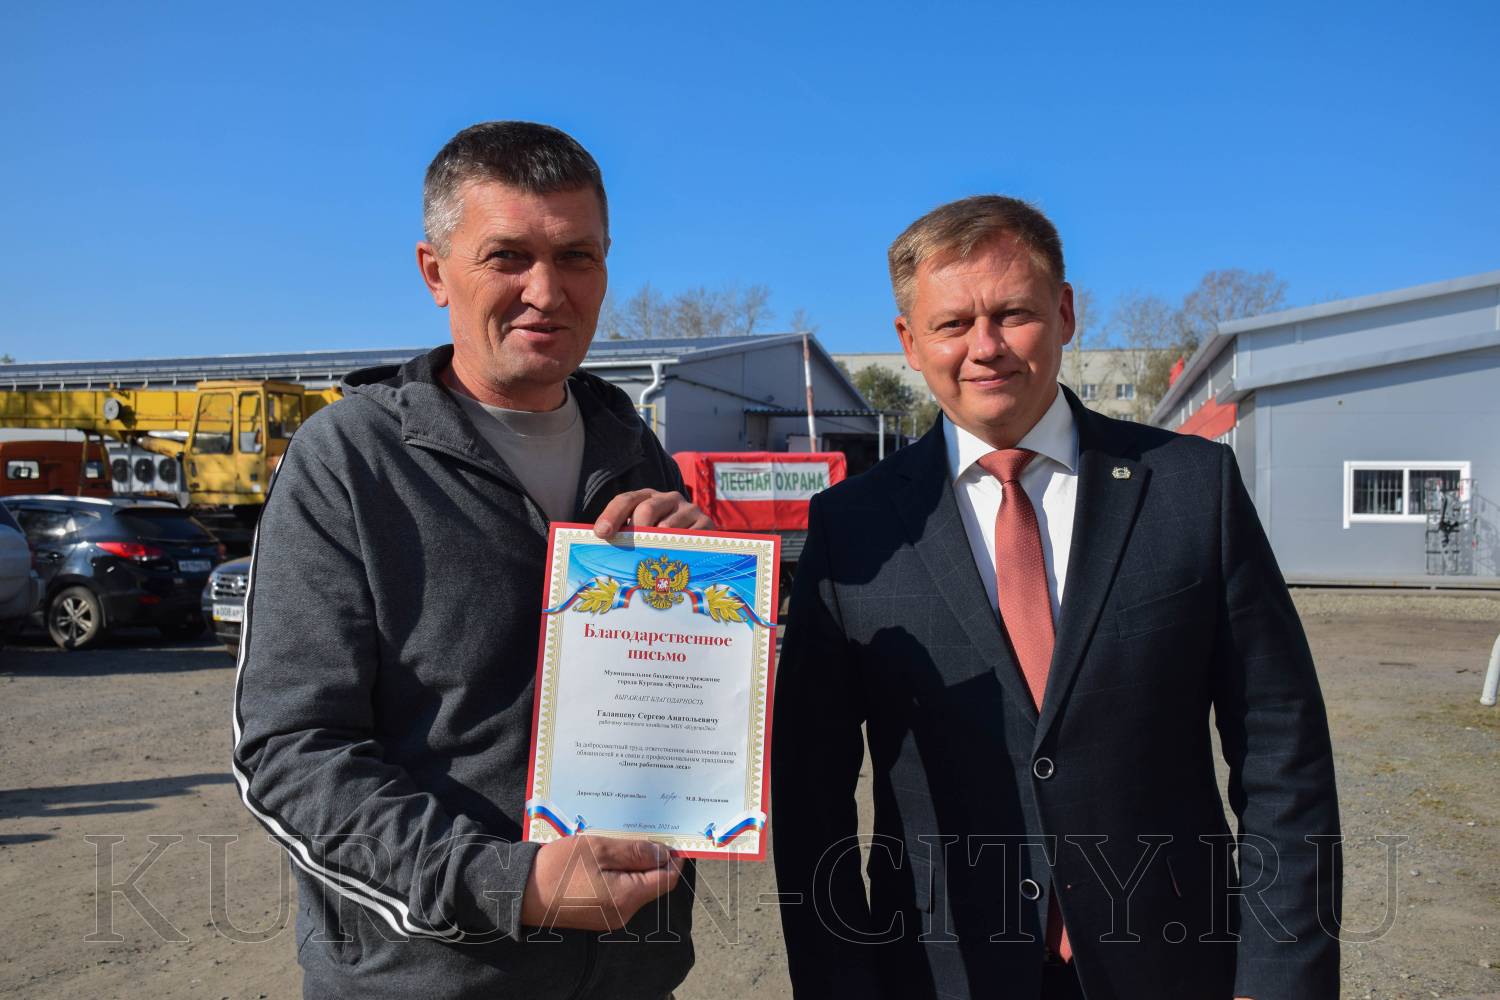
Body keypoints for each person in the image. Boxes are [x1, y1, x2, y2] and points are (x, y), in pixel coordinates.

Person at [771, 195, 1341, 999]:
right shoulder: (851, 531)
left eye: (1013, 314)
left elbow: (1282, 747)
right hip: (940, 976)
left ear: (1065, 313)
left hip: (1171, 966)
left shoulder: (1191, 490)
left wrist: (1278, 978)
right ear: (909, 342)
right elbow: (811, 792)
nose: (985, 347)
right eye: (952, 323)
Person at [232, 121, 710, 1000]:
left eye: (576, 257)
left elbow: (683, 725)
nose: (547, 291)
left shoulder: (636, 452)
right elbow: (290, 752)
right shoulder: (350, 461)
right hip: (427, 981)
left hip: (629, 976)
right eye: (507, 257)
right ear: (434, 272)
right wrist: (508, 886)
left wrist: (709, 605)